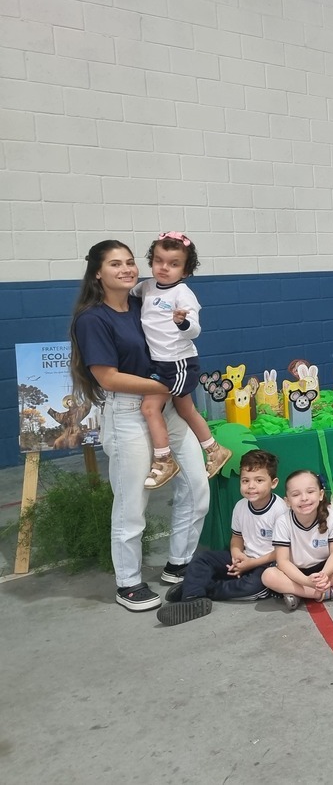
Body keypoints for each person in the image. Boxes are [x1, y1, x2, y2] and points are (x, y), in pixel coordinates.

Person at [70, 239, 211, 612]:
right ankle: (128, 582)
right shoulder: (92, 318)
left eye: (130, 262)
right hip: (130, 411)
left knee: (197, 486)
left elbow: (178, 340)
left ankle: (178, 563)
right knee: (133, 503)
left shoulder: (143, 301)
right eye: (115, 264)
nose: (126, 269)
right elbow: (108, 378)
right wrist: (167, 387)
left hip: (166, 406)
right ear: (97, 272)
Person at [134, 232, 230, 489]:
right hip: (160, 361)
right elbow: (127, 293)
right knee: (186, 410)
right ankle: (215, 450)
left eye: (174, 264)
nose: (164, 267)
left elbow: (195, 330)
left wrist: (182, 322)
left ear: (185, 271)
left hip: (177, 362)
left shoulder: (183, 293)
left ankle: (164, 460)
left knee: (150, 408)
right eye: (158, 260)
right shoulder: (146, 286)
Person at [156, 449, 285, 626]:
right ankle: (192, 596)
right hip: (246, 557)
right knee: (203, 559)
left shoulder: (279, 510)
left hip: (269, 563)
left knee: (252, 586)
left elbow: (282, 552)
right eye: (245, 480)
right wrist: (237, 554)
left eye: (259, 480)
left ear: (273, 483)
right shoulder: (240, 506)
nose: (251, 486)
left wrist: (251, 563)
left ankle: (201, 589)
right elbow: (237, 537)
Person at [260, 470, 333, 610]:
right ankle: (322, 593)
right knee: (268, 576)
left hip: (324, 569)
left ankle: (299, 593)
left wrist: (324, 575)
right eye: (296, 494)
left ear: (320, 495)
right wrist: (306, 581)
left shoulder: (331, 517)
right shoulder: (282, 522)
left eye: (310, 492)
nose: (304, 498)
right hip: (295, 573)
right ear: (287, 501)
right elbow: (283, 561)